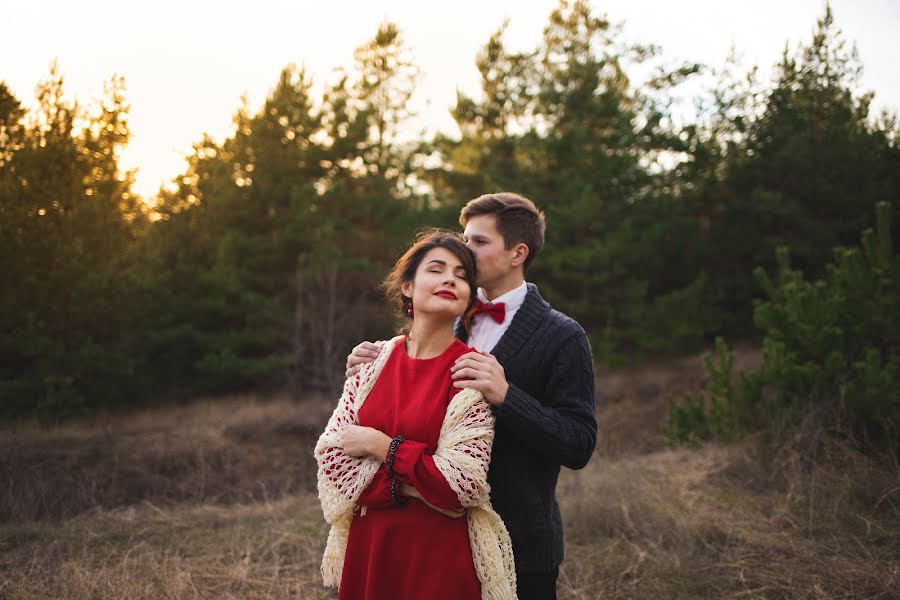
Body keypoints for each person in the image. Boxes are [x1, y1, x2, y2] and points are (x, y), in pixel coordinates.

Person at [347, 193, 597, 600]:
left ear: (518, 253)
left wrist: (507, 396)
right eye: (465, 237)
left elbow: (579, 443)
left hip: (518, 540)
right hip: (434, 538)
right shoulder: (445, 315)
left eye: (479, 242)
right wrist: (371, 367)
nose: (466, 248)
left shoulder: (563, 335)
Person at [315, 230, 517, 600]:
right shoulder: (372, 362)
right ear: (408, 286)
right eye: (436, 269)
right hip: (371, 546)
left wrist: (381, 446)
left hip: (437, 556)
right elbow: (332, 458)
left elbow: (462, 486)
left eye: (461, 275)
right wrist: (410, 485)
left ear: (470, 295)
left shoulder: (471, 373)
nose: (450, 279)